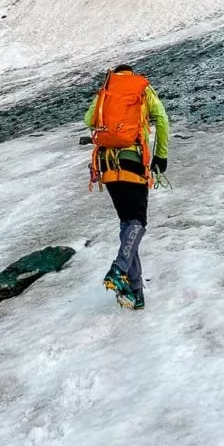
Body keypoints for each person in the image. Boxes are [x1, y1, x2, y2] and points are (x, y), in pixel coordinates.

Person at [84, 64, 169, 310]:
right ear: (131, 74)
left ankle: (135, 292)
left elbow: (88, 119)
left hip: (107, 167)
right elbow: (162, 118)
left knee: (127, 223)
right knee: (138, 223)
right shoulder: (142, 88)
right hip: (133, 162)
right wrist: (160, 156)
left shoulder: (106, 89)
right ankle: (119, 269)